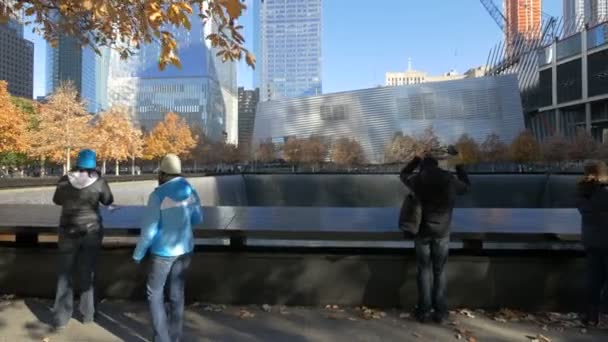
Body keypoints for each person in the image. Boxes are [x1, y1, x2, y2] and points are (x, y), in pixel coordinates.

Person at [133, 154, 203, 342]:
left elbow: (148, 231)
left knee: (154, 293)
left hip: (163, 253)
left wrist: (138, 254)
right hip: (185, 249)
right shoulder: (190, 189)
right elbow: (198, 218)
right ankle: (175, 336)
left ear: (162, 173)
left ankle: (162, 339)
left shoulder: (157, 195)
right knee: (177, 293)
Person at [400, 154, 470, 324]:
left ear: (423, 166)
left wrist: (414, 161)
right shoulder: (449, 179)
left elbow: (403, 175)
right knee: (440, 271)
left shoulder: (417, 180)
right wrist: (458, 163)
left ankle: (423, 312)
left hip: (422, 231)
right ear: (437, 165)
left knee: (423, 270)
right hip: (442, 231)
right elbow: (467, 187)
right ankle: (442, 314)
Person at [51, 149, 114, 329]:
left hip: (67, 232)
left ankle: (61, 318)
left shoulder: (64, 180)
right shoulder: (99, 181)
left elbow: (56, 200)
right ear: (93, 164)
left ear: (77, 162)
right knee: (88, 272)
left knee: (65, 274)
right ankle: (88, 314)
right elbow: (108, 200)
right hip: (91, 232)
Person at [577, 160, 608, 326]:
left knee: (594, 279)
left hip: (591, 241)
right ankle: (605, 314)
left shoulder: (583, 190)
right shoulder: (603, 191)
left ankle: (591, 315)